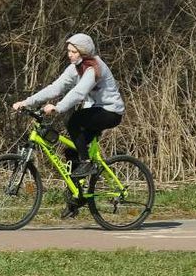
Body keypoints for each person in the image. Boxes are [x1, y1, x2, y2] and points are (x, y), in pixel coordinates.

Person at [12, 33, 124, 183]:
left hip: (111, 112)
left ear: (84, 53)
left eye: (74, 52)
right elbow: (55, 88)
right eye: (69, 51)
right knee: (72, 152)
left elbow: (79, 93)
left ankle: (86, 163)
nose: (69, 55)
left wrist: (58, 108)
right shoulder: (74, 68)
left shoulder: (94, 68)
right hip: (95, 110)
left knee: (74, 120)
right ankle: (75, 200)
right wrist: (27, 102)